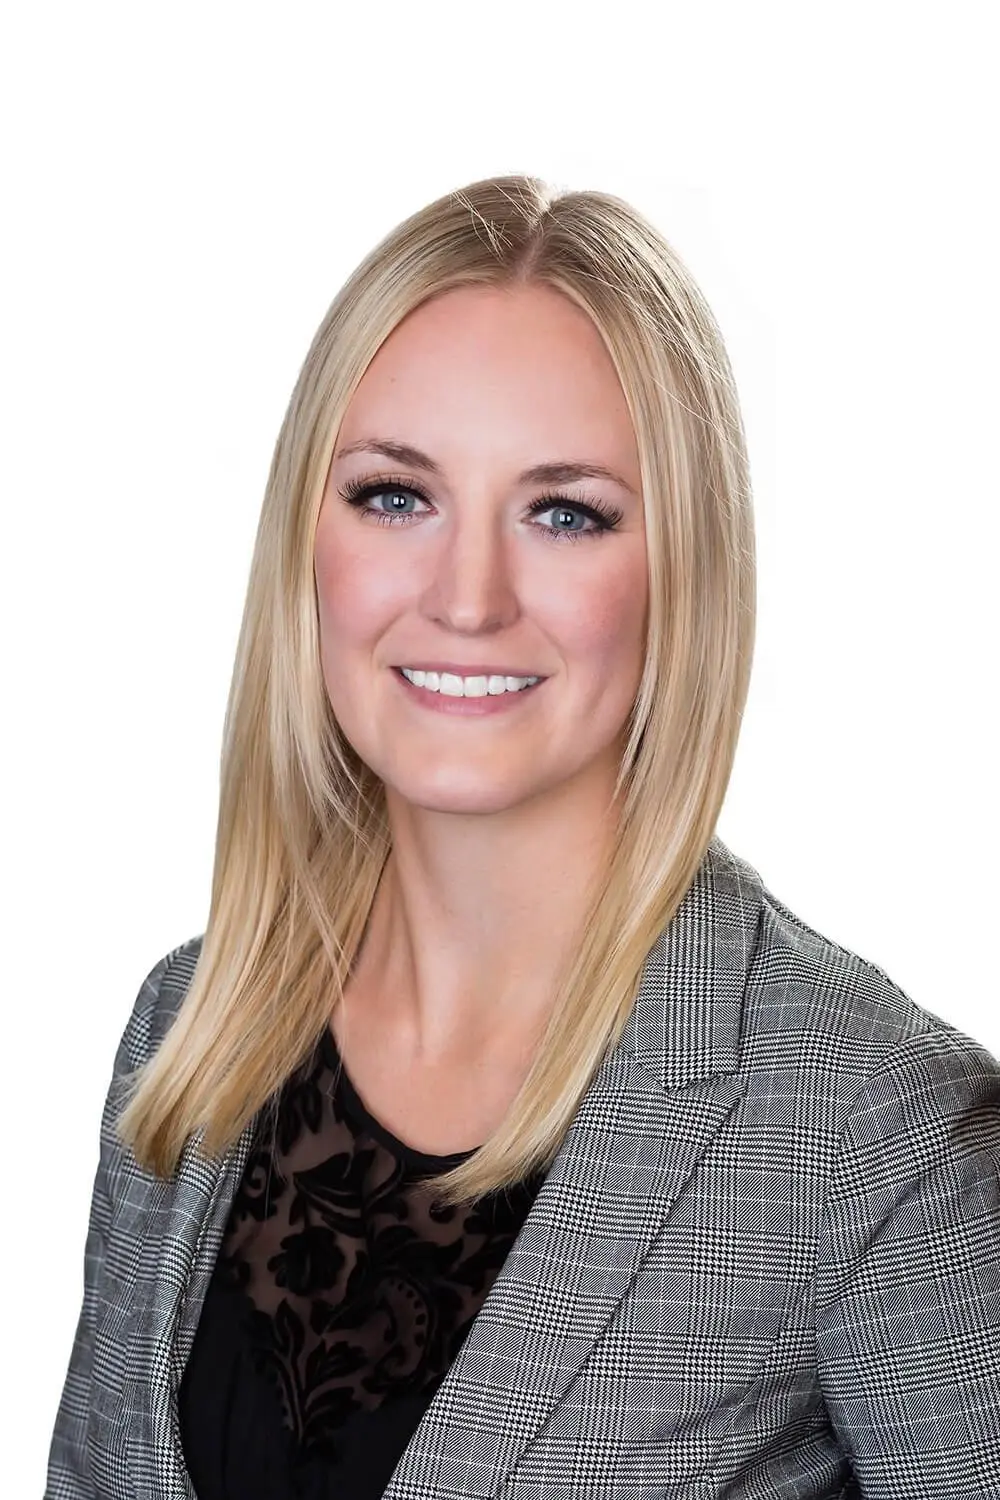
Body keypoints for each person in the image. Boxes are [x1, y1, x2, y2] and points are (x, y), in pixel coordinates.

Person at [46, 173, 1000, 1500]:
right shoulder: (192, 1031)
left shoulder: (876, 1132)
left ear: (681, 574)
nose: (468, 597)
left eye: (565, 514)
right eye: (395, 496)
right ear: (305, 542)